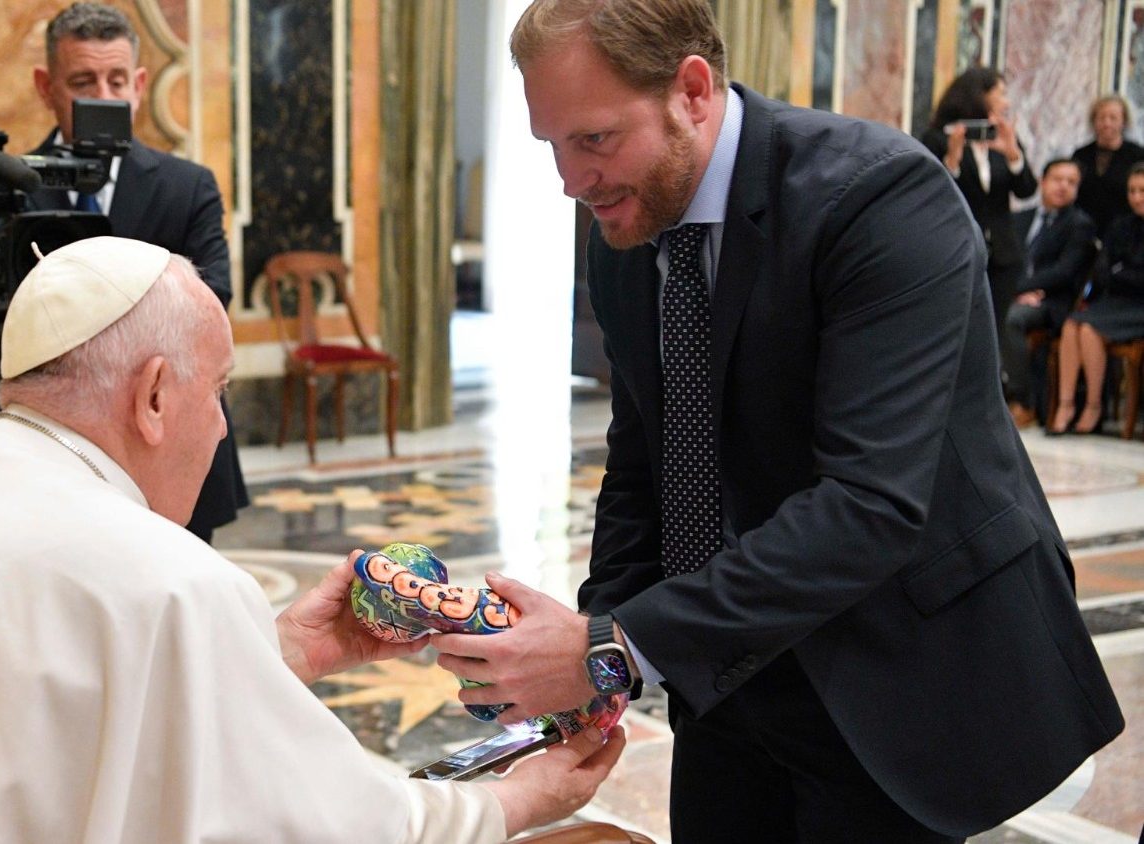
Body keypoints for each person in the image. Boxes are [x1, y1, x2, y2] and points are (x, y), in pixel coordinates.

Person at [429, 1, 1123, 841]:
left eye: (595, 139)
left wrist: (611, 646)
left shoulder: (880, 197)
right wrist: (599, 651)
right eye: (553, 145)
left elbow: (870, 505)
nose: (572, 181)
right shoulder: (629, 229)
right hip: (724, 670)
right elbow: (645, 464)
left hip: (890, 672)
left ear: (691, 91)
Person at [0, 236, 625, 842]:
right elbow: (324, 826)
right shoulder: (172, 581)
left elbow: (54, 727)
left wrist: (277, 651)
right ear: (154, 397)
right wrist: (516, 800)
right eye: (220, 389)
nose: (224, 427)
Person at [27, 1, 246, 543]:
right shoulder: (12, 185)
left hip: (173, 443)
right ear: (46, 87)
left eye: (117, 80)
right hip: (48, 457)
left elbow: (213, 298)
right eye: (83, 81)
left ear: (140, 85)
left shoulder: (186, 185)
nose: (104, 97)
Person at [920, 67, 1037, 354]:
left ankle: (995, 381)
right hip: (956, 247)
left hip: (1002, 252)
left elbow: (1026, 190)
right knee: (957, 328)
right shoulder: (938, 138)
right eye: (1001, 94)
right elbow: (932, 195)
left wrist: (1013, 154)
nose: (1006, 102)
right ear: (980, 96)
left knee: (994, 331)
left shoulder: (1002, 135)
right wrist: (952, 161)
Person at [1049, 162, 1144, 435]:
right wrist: (1123, 273)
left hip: (1138, 307)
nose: (1136, 197)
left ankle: (1093, 406)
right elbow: (1103, 271)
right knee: (1072, 324)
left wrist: (1121, 272)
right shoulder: (1121, 225)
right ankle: (1066, 404)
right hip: (1115, 301)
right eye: (1132, 191)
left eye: (1142, 191)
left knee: (1090, 330)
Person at [1005, 159, 1096, 427]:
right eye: (1058, 179)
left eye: (1072, 182)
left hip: (1051, 302)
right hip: (1016, 295)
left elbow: (1064, 272)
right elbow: (1002, 261)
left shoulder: (1080, 224)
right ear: (1043, 181)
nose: (1063, 186)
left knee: (1011, 318)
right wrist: (1011, 291)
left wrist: (1020, 290)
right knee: (979, 310)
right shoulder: (1019, 218)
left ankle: (1023, 401)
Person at [1072, 94, 1144, 238]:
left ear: (1124, 121)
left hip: (1125, 233)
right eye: (1101, 118)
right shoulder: (1081, 155)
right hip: (1083, 232)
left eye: (1113, 118)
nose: (1107, 123)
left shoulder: (1137, 155)